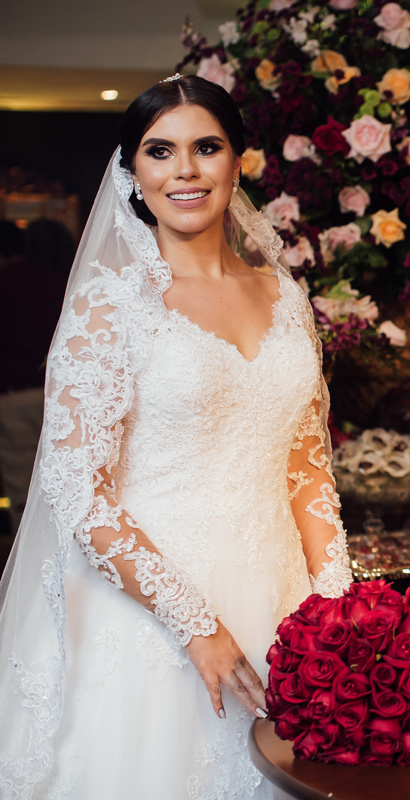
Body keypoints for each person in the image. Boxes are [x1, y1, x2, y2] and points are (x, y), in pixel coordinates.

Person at [0, 75, 353, 799]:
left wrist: (337, 602)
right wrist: (195, 625)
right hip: (150, 616)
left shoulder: (286, 297)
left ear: (237, 162)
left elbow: (306, 463)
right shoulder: (109, 307)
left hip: (283, 607)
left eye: (206, 148)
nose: (185, 170)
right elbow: (79, 491)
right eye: (160, 152)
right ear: (134, 172)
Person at [0, 220, 71, 536]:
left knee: (21, 488)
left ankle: (27, 562)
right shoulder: (60, 282)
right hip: (60, 395)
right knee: (61, 482)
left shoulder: (4, 283)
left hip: (15, 395)